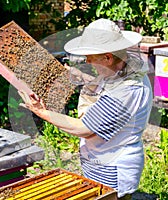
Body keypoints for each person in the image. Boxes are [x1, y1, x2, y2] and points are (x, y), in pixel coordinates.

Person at [18, 18, 153, 199]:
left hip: (113, 168)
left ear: (108, 57)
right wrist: (83, 78)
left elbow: (84, 128)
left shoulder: (127, 90)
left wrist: (41, 112)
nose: (87, 60)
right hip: (101, 160)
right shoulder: (121, 70)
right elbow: (106, 89)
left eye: (91, 55)